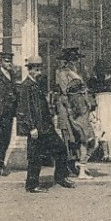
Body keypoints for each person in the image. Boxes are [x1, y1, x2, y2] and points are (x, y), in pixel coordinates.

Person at [16, 56, 72, 191]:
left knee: (60, 149)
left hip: (46, 127)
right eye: (36, 69)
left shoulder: (37, 84)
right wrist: (31, 128)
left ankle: (60, 177)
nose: (39, 71)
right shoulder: (26, 86)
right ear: (30, 70)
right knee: (35, 157)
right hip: (36, 128)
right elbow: (24, 110)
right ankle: (32, 185)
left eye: (40, 68)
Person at [55, 49, 96, 176]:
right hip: (67, 106)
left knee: (82, 136)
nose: (76, 62)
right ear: (68, 61)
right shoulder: (62, 72)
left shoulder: (78, 72)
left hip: (79, 106)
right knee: (69, 136)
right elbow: (67, 90)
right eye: (74, 59)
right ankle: (70, 165)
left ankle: (80, 163)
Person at [89, 68, 111, 161]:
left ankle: (106, 154)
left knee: (101, 126)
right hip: (109, 102)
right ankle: (110, 154)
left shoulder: (93, 81)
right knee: (110, 126)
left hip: (100, 101)